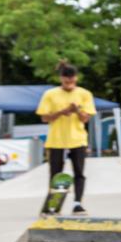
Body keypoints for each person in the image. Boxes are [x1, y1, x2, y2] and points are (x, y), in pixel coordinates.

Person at [36, 63, 95, 213]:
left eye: (72, 81)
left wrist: (76, 110)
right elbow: (44, 117)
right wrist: (63, 111)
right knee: (56, 174)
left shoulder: (84, 94)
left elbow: (85, 119)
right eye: (66, 81)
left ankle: (77, 203)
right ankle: (53, 204)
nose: (69, 84)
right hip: (56, 140)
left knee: (79, 173)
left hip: (77, 139)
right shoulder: (50, 94)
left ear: (76, 78)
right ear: (61, 78)